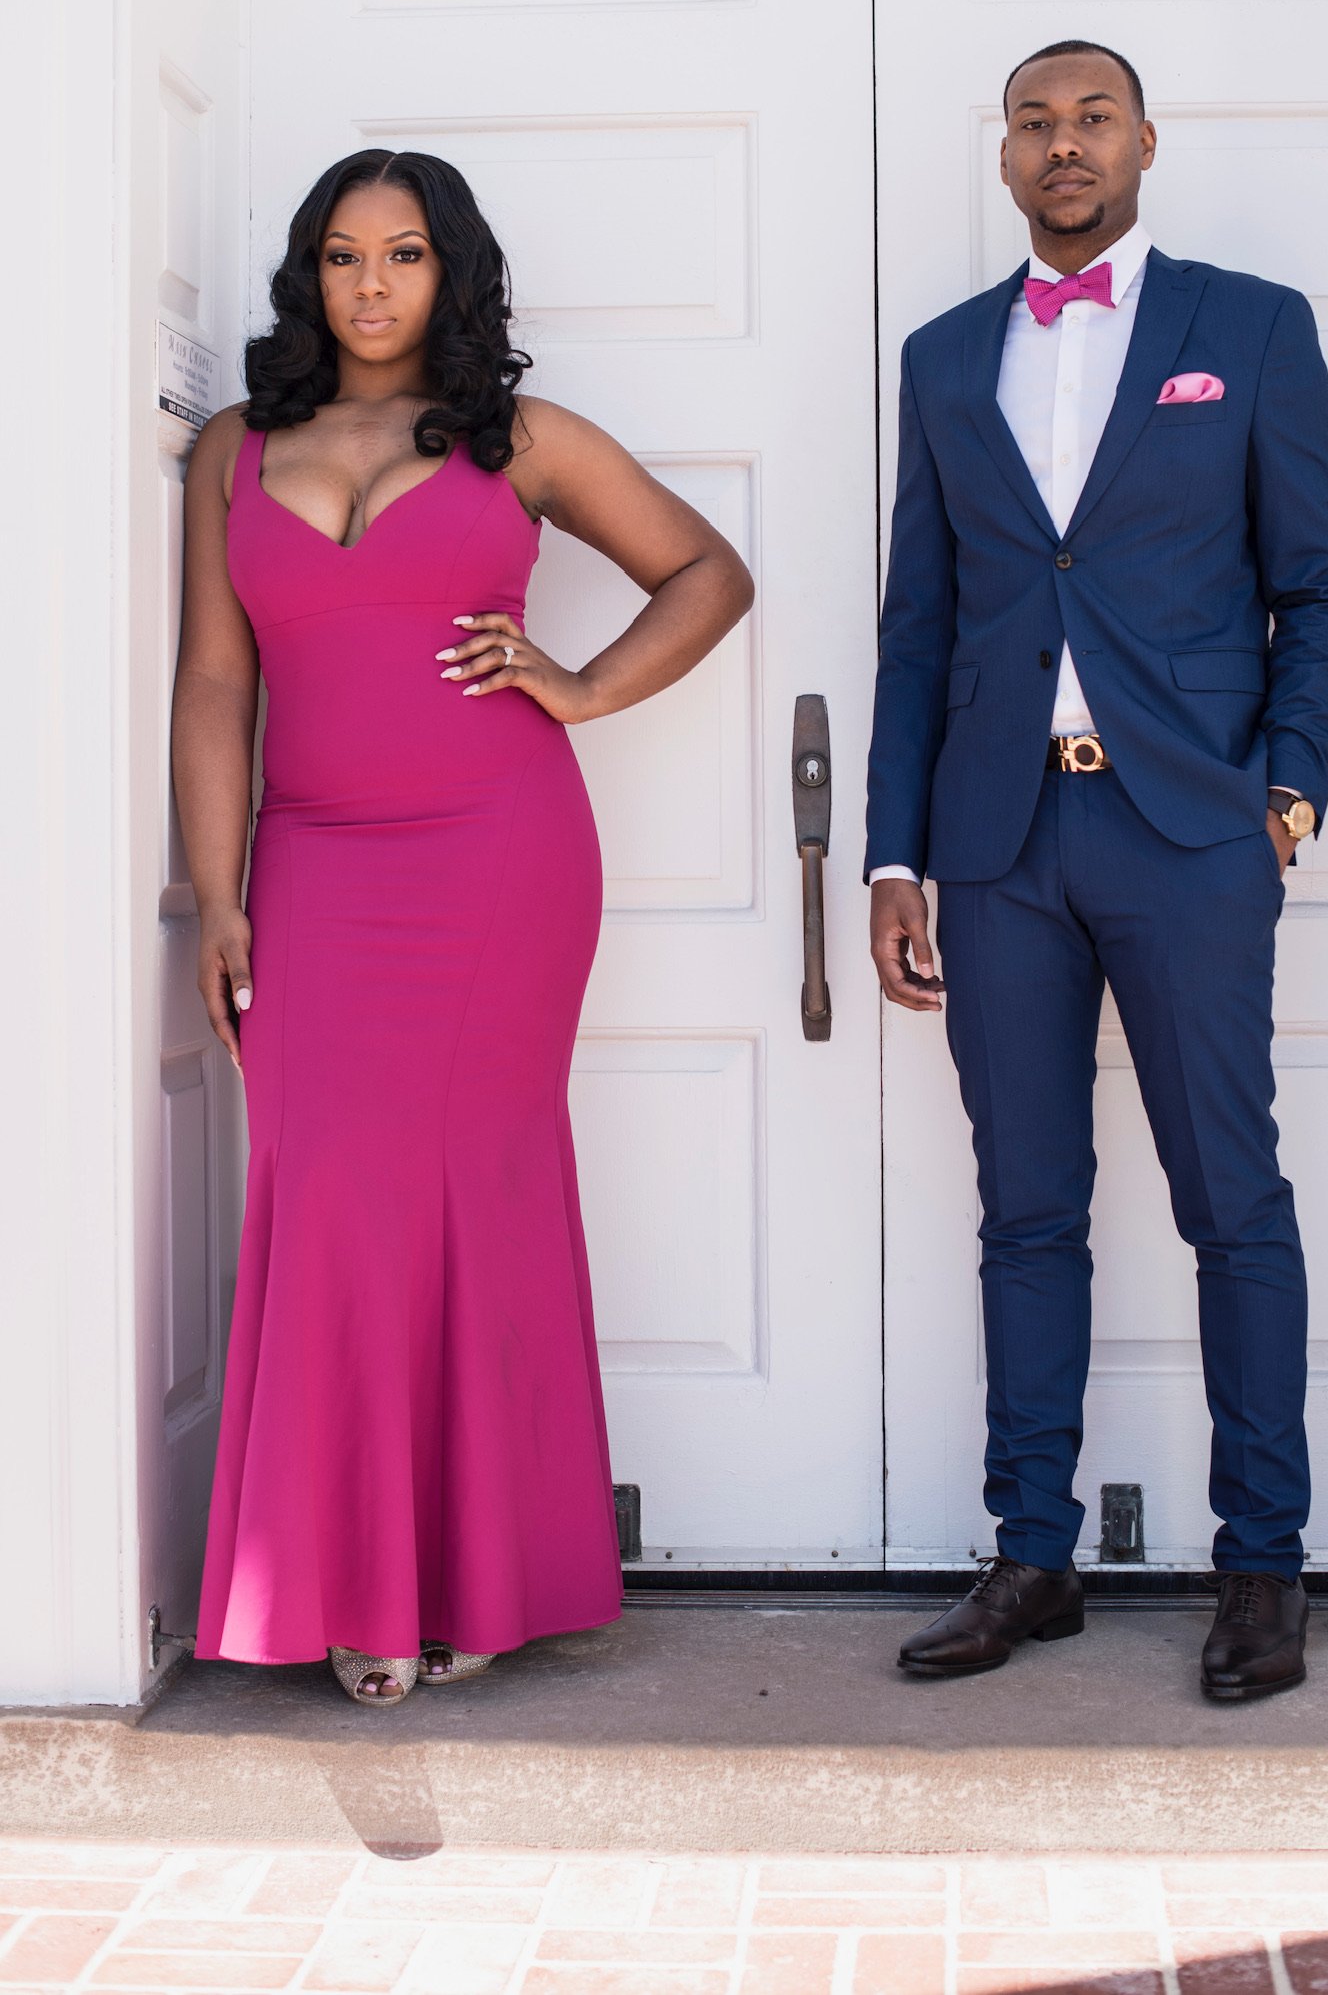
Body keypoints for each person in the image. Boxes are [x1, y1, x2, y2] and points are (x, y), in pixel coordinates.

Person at [173, 149, 753, 1704]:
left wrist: (577, 687)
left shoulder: (525, 439)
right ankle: (351, 1580)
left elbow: (709, 572)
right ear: (311, 272)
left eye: (406, 254)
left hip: (498, 860)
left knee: (477, 1190)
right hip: (310, 866)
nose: (373, 284)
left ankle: (482, 1580)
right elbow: (218, 684)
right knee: (330, 1198)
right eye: (346, 255)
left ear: (454, 271)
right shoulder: (237, 447)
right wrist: (218, 892)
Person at [866, 42, 1328, 1701]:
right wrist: (892, 852)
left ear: (1145, 141)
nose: (1061, 144)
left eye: (1091, 119)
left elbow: (1319, 587)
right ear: (999, 152)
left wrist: (1286, 789)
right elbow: (917, 628)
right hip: (998, 841)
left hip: (1188, 832)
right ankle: (1031, 1555)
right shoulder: (945, 359)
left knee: (1234, 1202)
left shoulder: (1251, 328)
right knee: (1026, 1212)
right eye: (1033, 120)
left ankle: (1264, 1567)